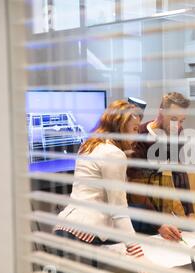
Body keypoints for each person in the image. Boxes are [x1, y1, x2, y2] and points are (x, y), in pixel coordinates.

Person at [53, 99, 145, 257]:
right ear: (121, 128)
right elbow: (118, 210)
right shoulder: (114, 154)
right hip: (84, 234)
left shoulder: (89, 145)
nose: (137, 136)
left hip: (64, 227)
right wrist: (137, 252)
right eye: (134, 129)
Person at [127, 92, 195, 241]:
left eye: (181, 121)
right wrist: (158, 223)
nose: (177, 126)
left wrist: (188, 211)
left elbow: (178, 171)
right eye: (174, 119)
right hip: (143, 213)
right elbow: (137, 188)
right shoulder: (139, 136)